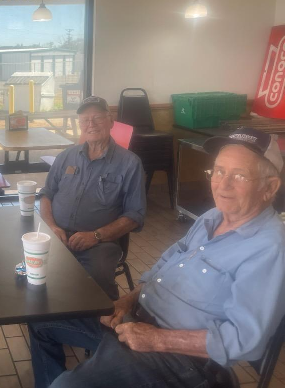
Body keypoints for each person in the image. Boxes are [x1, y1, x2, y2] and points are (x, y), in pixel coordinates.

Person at [29, 127, 285, 388]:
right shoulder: (212, 217)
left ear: (269, 187)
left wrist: (156, 339)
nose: (223, 184)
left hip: (178, 360)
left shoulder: (270, 248)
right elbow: (165, 265)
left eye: (240, 175)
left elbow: (245, 341)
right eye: (219, 171)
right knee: (42, 323)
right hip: (135, 322)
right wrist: (127, 301)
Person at [38, 96, 146, 300]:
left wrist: (95, 236)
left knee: (94, 283)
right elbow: (46, 194)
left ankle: (100, 323)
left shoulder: (129, 163)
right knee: (33, 272)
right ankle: (48, 323)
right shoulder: (66, 156)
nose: (91, 124)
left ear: (111, 120)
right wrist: (52, 228)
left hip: (100, 243)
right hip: (57, 235)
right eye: (85, 119)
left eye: (97, 117)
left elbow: (135, 214)